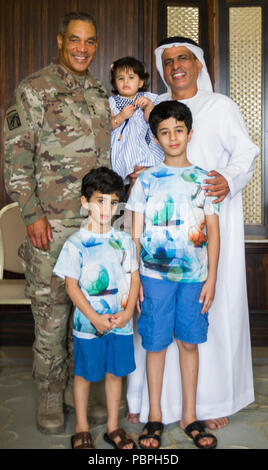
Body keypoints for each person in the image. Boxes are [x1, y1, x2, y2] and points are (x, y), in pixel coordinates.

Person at [126, 36, 259, 430]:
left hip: (209, 229)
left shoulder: (221, 107)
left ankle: (210, 401)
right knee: (153, 321)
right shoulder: (153, 110)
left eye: (184, 58)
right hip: (159, 239)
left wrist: (228, 180)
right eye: (168, 62)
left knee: (204, 316)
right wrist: (139, 174)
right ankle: (148, 403)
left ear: (199, 65)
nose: (176, 66)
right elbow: (139, 158)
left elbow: (247, 153)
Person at [4, 11, 111, 434]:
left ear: (96, 45)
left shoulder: (101, 92)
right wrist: (31, 214)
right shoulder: (34, 89)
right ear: (60, 41)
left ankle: (78, 389)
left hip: (95, 226)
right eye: (74, 41)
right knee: (51, 314)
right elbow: (16, 158)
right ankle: (51, 391)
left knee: (88, 309)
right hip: (50, 224)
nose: (82, 48)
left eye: (89, 42)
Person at [126, 101, 220, 449]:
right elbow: (134, 233)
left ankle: (190, 416)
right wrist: (135, 278)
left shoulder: (204, 180)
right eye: (164, 132)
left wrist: (212, 278)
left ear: (189, 133)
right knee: (155, 344)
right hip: (154, 277)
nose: (173, 137)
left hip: (194, 278)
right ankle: (154, 416)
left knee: (189, 343)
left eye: (179, 130)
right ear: (156, 138)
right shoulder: (146, 181)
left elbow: (213, 230)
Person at [53, 167, 140, 449]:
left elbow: (134, 277)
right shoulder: (75, 244)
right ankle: (81, 428)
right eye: (100, 200)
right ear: (85, 202)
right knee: (85, 374)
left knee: (115, 374)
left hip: (120, 323)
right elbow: (71, 286)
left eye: (113, 202)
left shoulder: (124, 240)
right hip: (89, 326)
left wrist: (127, 314)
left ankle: (113, 427)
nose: (107, 208)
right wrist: (93, 318)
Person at [109, 56, 163, 194]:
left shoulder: (149, 98)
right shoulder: (112, 102)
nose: (125, 81)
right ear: (115, 83)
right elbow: (107, 126)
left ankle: (137, 203)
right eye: (121, 78)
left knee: (144, 178)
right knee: (131, 179)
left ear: (140, 82)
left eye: (131, 78)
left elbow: (152, 122)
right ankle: (130, 206)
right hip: (123, 146)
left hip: (143, 145)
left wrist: (148, 106)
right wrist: (120, 116)